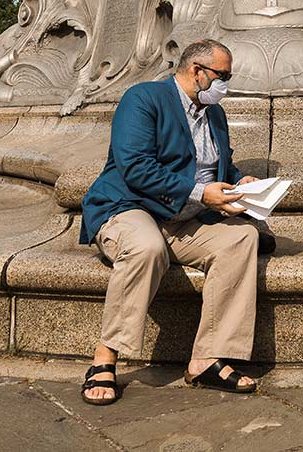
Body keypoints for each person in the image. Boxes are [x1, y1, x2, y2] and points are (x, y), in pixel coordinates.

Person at [77, 38, 262, 405]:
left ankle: (207, 358)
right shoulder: (144, 98)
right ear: (197, 71)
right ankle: (105, 356)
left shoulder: (216, 115)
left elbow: (214, 166)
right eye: (222, 76)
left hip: (184, 219)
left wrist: (240, 182)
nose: (227, 84)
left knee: (242, 239)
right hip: (129, 206)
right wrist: (201, 194)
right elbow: (135, 167)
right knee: (146, 247)